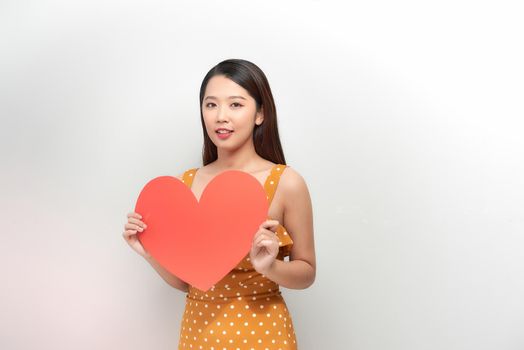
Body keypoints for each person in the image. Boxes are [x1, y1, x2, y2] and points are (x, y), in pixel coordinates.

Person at [123, 58, 316, 349]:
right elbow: (188, 282)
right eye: (211, 105)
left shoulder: (286, 182)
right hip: (198, 334)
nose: (220, 117)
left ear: (260, 113)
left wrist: (270, 268)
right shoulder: (184, 186)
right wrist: (148, 251)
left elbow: (307, 272)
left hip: (265, 335)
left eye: (235, 105)